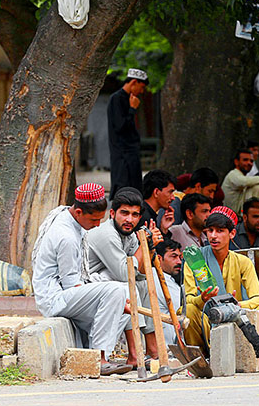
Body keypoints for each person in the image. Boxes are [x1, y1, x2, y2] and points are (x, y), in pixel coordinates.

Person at [31, 183, 132, 376]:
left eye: (100, 220)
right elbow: (71, 283)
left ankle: (95, 352)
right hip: (54, 298)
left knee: (123, 296)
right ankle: (99, 358)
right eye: (94, 219)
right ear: (78, 212)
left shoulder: (68, 217)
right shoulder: (66, 236)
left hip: (67, 293)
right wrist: (108, 298)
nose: (97, 225)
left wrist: (115, 304)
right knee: (115, 292)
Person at [82, 187, 161, 367]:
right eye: (124, 213)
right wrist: (145, 244)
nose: (129, 220)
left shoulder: (130, 236)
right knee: (126, 283)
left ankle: (152, 350)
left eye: (134, 215)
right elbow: (126, 274)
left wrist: (148, 247)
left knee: (144, 280)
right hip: (86, 290)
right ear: (112, 213)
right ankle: (134, 354)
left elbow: (139, 270)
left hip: (108, 287)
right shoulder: (106, 233)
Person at [183, 207, 259, 347]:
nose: (213, 236)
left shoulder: (243, 262)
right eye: (210, 230)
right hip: (207, 322)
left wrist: (238, 305)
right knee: (188, 310)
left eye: (220, 231)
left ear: (232, 233)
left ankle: (239, 348)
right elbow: (188, 299)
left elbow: (258, 298)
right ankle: (201, 355)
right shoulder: (195, 258)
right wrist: (202, 299)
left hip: (235, 319)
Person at [107, 68, 148, 198]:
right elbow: (120, 126)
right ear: (133, 82)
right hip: (122, 153)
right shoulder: (116, 99)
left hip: (131, 151)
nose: (141, 92)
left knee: (135, 188)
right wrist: (132, 109)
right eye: (141, 87)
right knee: (124, 188)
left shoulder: (129, 99)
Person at [153, 239, 184, 345]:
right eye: (173, 256)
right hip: (166, 348)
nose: (179, 262)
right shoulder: (157, 278)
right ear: (159, 258)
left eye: (180, 257)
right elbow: (182, 309)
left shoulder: (169, 279)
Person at [221, 148, 259, 214]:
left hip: (239, 217)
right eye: (245, 160)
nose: (249, 163)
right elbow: (243, 182)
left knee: (256, 187)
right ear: (236, 162)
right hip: (228, 217)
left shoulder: (244, 177)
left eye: (251, 161)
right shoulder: (233, 174)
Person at [139, 169, 176, 237]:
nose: (173, 197)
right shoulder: (142, 216)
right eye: (170, 192)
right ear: (156, 192)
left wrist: (163, 229)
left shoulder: (149, 214)